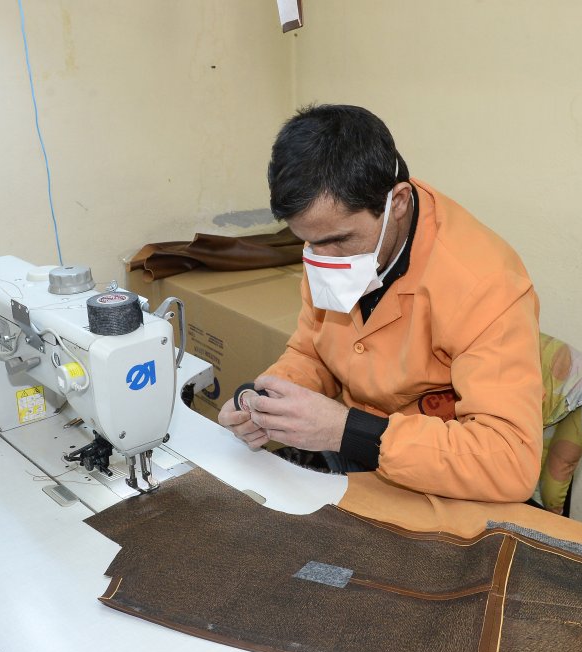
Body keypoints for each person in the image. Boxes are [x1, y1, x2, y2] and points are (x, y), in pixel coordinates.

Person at [217, 104, 543, 503]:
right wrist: (264, 400)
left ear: (398, 202)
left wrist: (348, 431)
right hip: (352, 451)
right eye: (309, 242)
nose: (325, 259)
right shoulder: (328, 240)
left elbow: (509, 460)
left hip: (443, 476)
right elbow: (313, 351)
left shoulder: (485, 282)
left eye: (340, 240)